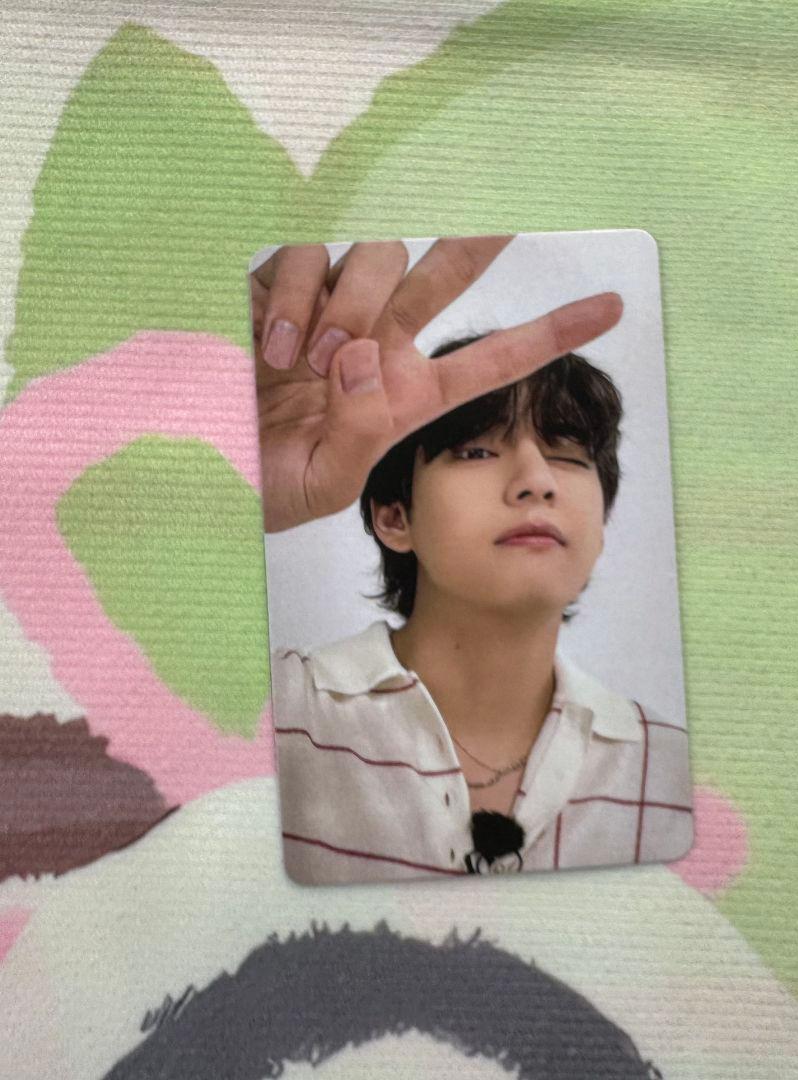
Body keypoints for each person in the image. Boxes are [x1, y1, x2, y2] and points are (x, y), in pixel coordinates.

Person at [254, 238, 693, 883]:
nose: (537, 481)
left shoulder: (677, 774)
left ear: (601, 526)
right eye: (477, 452)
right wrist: (232, 475)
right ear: (394, 517)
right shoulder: (276, 713)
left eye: (569, 456)